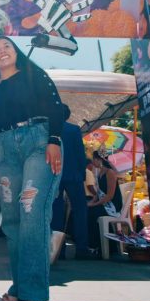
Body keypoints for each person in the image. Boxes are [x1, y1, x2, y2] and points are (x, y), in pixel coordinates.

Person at [0, 36, 63, 301]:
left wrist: (53, 139)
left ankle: (34, 292)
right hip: (4, 147)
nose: (2, 51)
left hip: (39, 139)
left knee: (31, 211)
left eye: (7, 47)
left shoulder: (33, 74)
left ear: (16, 52)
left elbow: (55, 106)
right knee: (12, 220)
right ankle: (20, 285)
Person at [51, 104, 90, 259]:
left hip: (55, 175)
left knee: (56, 213)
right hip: (74, 176)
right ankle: (81, 250)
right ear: (67, 115)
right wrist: (82, 174)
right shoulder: (74, 130)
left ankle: (57, 252)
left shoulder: (49, 130)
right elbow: (81, 154)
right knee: (80, 211)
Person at [87, 152, 122, 253]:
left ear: (99, 160)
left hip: (113, 205)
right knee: (87, 210)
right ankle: (95, 244)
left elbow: (110, 195)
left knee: (93, 212)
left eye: (94, 159)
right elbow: (98, 194)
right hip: (103, 202)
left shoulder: (110, 173)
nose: (93, 161)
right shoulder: (99, 172)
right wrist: (91, 202)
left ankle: (100, 246)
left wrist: (95, 204)